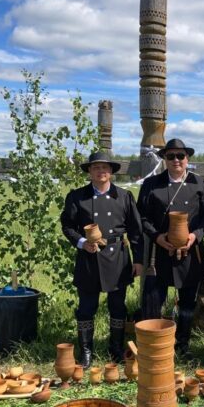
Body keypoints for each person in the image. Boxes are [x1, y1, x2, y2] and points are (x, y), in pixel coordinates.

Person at [61, 151, 144, 367]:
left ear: (111, 171)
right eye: (96, 167)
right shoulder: (77, 197)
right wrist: (82, 242)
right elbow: (67, 226)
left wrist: (138, 260)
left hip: (117, 256)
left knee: (118, 306)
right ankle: (86, 351)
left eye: (105, 167)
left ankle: (115, 348)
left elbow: (136, 231)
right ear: (89, 171)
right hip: (89, 257)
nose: (101, 171)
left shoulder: (124, 196)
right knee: (86, 307)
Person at [137, 138, 204, 358]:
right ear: (164, 159)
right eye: (170, 156)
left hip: (190, 252)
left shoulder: (201, 184)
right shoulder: (151, 184)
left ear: (187, 159)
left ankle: (183, 344)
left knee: (188, 302)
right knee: (154, 301)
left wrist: (195, 236)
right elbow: (141, 216)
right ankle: (155, 346)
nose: (176, 160)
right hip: (159, 253)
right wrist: (157, 236)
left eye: (180, 156)